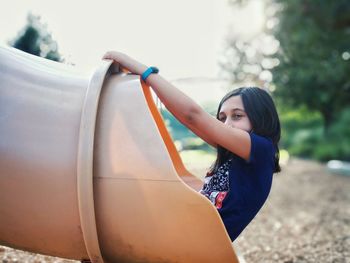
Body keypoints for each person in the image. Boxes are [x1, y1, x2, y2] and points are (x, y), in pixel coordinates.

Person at [101, 51, 281, 242]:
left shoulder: (261, 149)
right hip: (187, 232)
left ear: (260, 118)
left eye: (237, 116)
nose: (226, 124)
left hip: (195, 242)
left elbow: (192, 116)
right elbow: (191, 121)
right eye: (221, 118)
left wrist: (144, 72)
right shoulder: (235, 154)